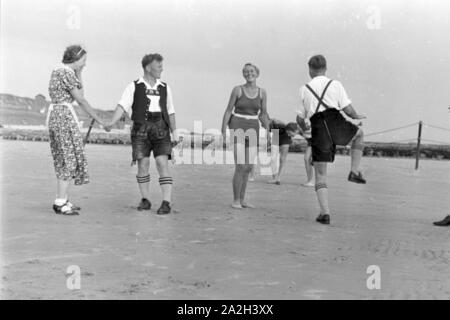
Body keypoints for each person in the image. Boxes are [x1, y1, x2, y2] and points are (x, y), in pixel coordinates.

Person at [297, 55, 366, 225]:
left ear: (310, 69)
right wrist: (356, 116)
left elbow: (300, 117)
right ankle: (354, 171)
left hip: (318, 127)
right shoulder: (335, 84)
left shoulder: (304, 88)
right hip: (335, 122)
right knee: (359, 135)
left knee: (320, 175)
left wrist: (303, 126)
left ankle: (325, 213)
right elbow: (348, 109)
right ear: (325, 68)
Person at [106, 53, 178, 214]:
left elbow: (171, 111)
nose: (162, 69)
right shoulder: (133, 86)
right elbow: (122, 106)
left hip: (161, 128)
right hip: (140, 129)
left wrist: (175, 132)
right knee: (143, 165)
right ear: (148, 67)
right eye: (159, 66)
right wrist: (111, 122)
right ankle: (145, 199)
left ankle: (167, 202)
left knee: (162, 163)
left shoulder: (165, 87)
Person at [47, 45, 107, 215]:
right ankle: (60, 202)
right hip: (63, 117)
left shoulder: (62, 71)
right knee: (68, 158)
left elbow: (80, 92)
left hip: (59, 116)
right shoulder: (65, 72)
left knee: (65, 158)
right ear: (75, 59)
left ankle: (63, 199)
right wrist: (98, 118)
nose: (85, 64)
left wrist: (79, 72)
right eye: (83, 61)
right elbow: (81, 99)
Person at [221, 63, 270, 209]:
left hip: (253, 127)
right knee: (240, 165)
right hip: (237, 125)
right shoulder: (237, 90)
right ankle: (236, 200)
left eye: (252, 71)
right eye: (246, 71)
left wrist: (268, 130)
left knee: (248, 167)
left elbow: (264, 114)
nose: (249, 73)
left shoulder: (263, 92)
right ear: (243, 74)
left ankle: (242, 200)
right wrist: (223, 129)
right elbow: (229, 110)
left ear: (257, 73)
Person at [260, 116, 293, 185]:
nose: (261, 122)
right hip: (275, 136)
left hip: (285, 137)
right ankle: (274, 177)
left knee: (282, 159)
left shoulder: (276, 122)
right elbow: (268, 134)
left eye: (262, 120)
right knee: (273, 158)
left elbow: (288, 128)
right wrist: (268, 142)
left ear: (267, 119)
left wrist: (291, 136)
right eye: (260, 120)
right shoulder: (264, 125)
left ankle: (278, 178)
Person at [295, 115, 314, 187]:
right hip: (311, 143)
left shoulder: (308, 124)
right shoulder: (300, 127)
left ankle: (312, 180)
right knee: (307, 159)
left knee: (308, 159)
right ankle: (310, 180)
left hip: (317, 142)